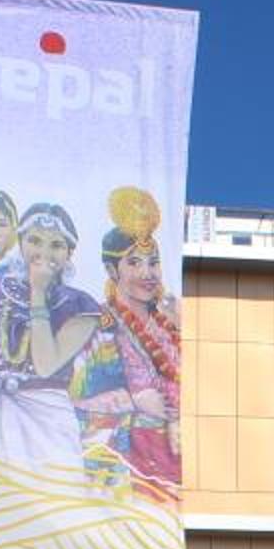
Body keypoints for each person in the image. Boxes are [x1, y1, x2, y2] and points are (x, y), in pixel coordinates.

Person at [0, 202, 101, 474]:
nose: (43, 252)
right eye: (35, 241)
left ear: (69, 253)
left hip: (47, 420)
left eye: (56, 245)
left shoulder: (80, 305)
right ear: (20, 242)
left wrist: (38, 292)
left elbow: (45, 364)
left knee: (52, 493)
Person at [71, 188, 183, 503]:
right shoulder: (98, 323)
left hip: (172, 455)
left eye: (153, 262)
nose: (147, 273)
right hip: (121, 458)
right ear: (111, 270)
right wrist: (134, 401)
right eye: (134, 262)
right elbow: (77, 393)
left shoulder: (169, 322)